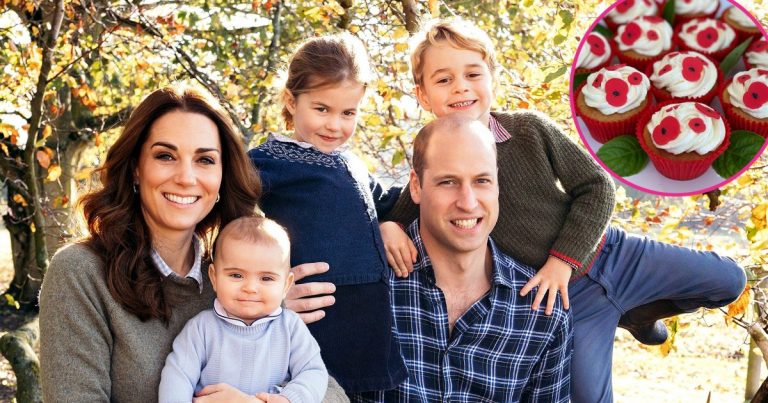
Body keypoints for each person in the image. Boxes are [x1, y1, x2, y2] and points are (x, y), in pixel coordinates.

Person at [375, 19, 747, 403]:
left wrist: (562, 260)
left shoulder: (529, 130)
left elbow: (597, 186)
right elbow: (406, 211)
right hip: (568, 299)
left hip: (609, 254)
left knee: (729, 281)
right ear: (422, 96)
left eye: (473, 74)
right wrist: (389, 227)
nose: (461, 88)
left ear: (492, 79)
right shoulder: (437, 164)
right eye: (444, 80)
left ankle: (638, 312)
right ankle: (624, 315)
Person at [37, 84, 340, 403]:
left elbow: (331, 392)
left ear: (223, 174)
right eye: (165, 156)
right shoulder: (81, 273)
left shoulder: (241, 274)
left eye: (205, 160)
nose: (186, 177)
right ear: (137, 169)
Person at [359, 115, 572, 402]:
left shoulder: (541, 311)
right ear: (416, 186)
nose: (468, 202)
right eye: (448, 182)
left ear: (497, 184)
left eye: (482, 181)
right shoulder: (364, 284)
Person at [247, 33, 407, 397]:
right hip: (317, 326)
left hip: (369, 332)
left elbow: (389, 201)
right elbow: (227, 223)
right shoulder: (267, 162)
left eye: (348, 113)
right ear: (291, 100)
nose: (335, 125)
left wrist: (390, 223)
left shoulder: (352, 163)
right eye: (322, 109)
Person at [158, 216, 327, 403]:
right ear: (214, 278)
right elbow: (177, 376)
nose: (250, 288)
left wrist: (290, 399)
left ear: (286, 285)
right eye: (236, 275)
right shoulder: (201, 329)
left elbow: (312, 371)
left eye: (266, 278)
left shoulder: (290, 327)